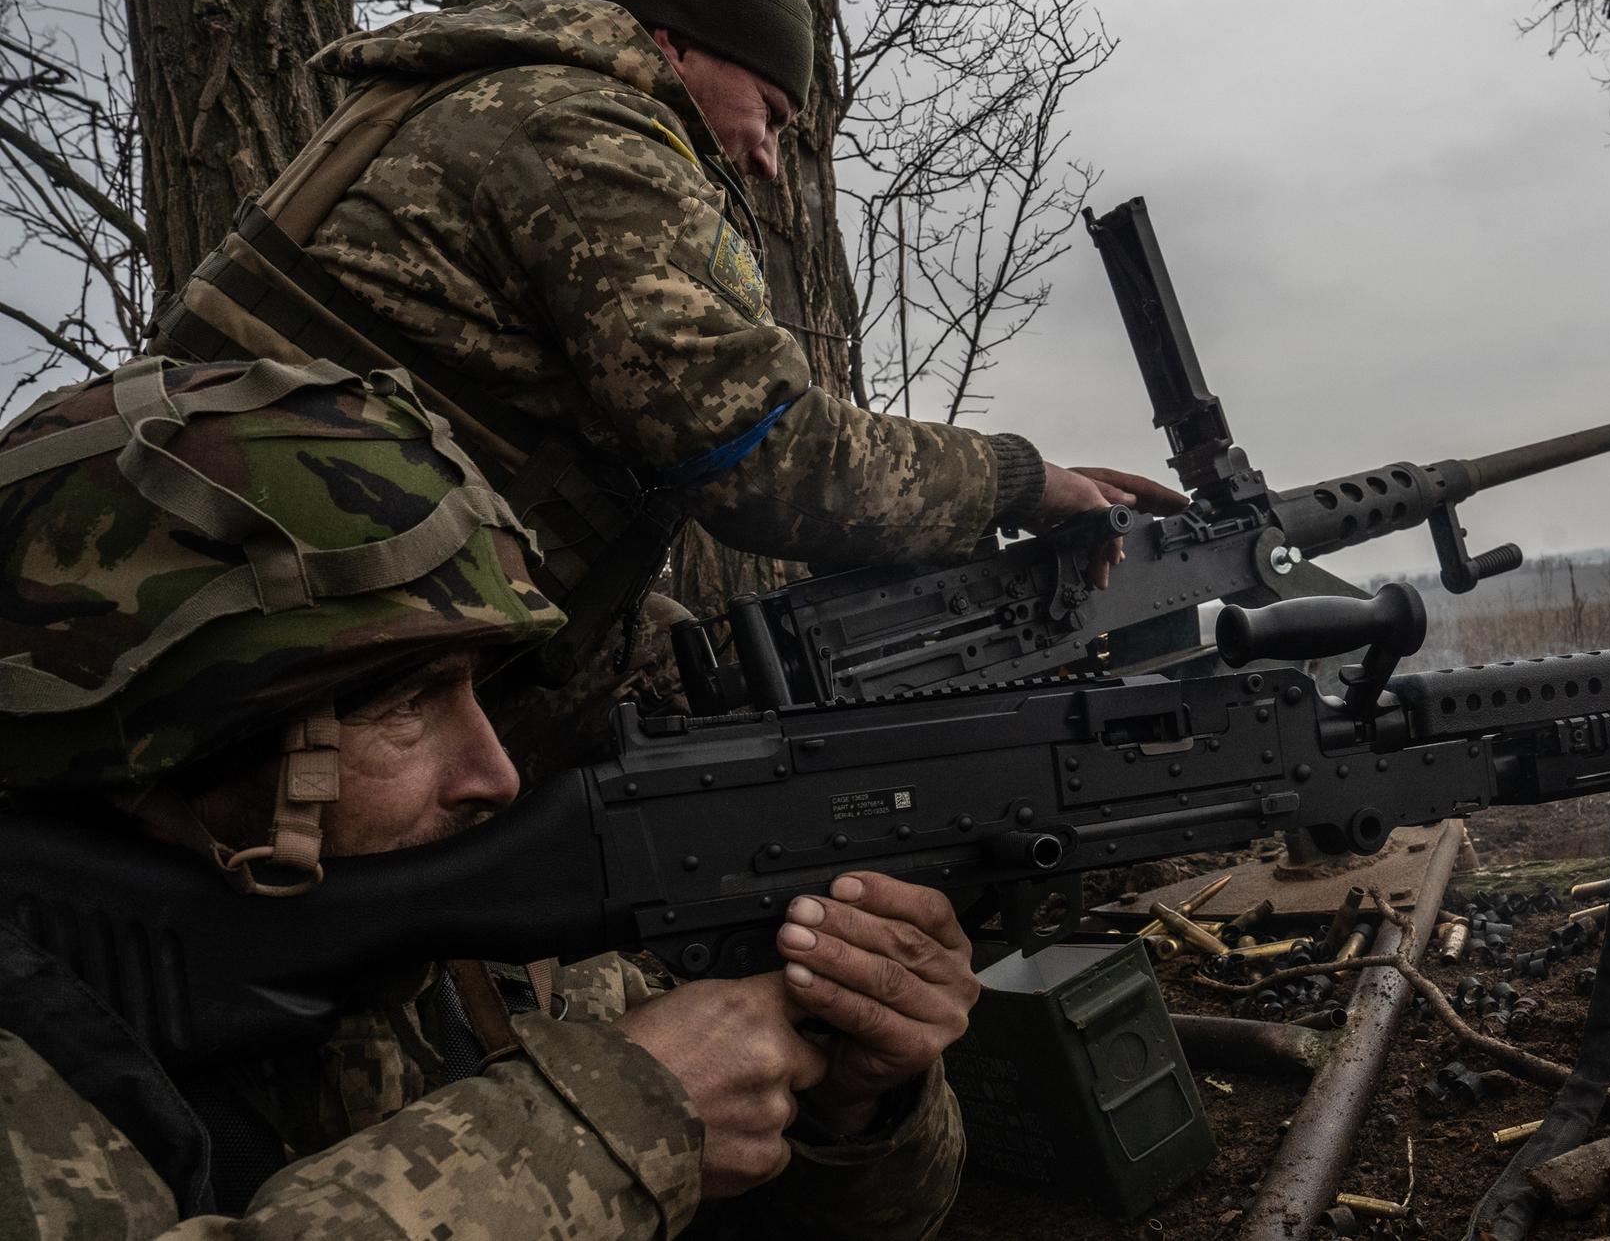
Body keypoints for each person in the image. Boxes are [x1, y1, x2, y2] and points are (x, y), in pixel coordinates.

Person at [144, 0, 1180, 759]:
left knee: (695, 677)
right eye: (770, 111)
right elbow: (766, 461)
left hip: (262, 591)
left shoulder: (479, 94)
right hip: (311, 654)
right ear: (677, 41)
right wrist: (1017, 480)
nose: (768, 159)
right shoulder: (588, 133)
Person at [0, 356, 973, 1239]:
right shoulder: (35, 1076)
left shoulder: (486, 956)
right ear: (171, 748)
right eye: (403, 707)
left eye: (483, 689)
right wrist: (604, 1133)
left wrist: (855, 1104)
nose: (498, 774)